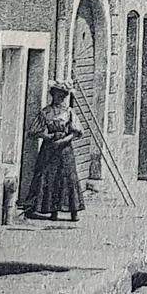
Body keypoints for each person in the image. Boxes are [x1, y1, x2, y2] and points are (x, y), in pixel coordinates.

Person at [22, 81, 85, 222]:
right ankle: (52, 211)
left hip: (65, 150)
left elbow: (76, 132)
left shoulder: (69, 112)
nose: (60, 98)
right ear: (52, 95)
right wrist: (47, 136)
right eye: (57, 95)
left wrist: (63, 140)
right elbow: (34, 131)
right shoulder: (46, 112)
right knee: (48, 177)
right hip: (49, 149)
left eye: (63, 95)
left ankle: (74, 211)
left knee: (68, 178)